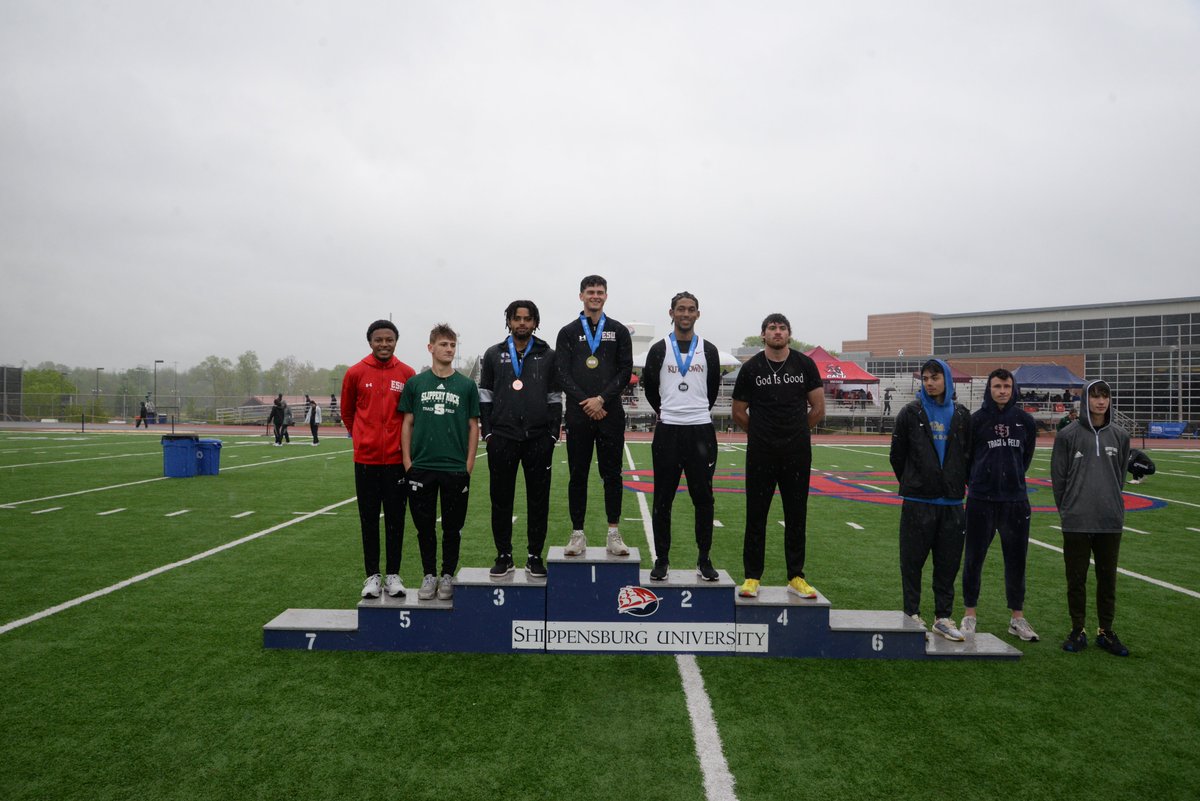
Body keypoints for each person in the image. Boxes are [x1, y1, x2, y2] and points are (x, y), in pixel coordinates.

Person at [731, 313, 825, 599]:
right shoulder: (752, 368)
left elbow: (818, 408)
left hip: (796, 453)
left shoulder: (804, 364)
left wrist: (794, 433)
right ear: (763, 334)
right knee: (756, 515)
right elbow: (738, 412)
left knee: (796, 515)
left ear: (789, 334)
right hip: (761, 453)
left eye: (782, 328)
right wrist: (763, 434)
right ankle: (752, 577)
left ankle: (796, 576)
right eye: (772, 328)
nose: (777, 332)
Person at [889, 358, 972, 642]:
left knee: (948, 565)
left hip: (951, 504)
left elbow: (968, 456)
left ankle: (943, 617)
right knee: (911, 562)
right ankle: (911, 613)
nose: (929, 382)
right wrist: (917, 482)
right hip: (918, 501)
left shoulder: (962, 414)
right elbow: (897, 456)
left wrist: (952, 483)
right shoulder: (910, 413)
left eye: (935, 377)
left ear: (946, 380)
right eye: (925, 378)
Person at [642, 291, 723, 582]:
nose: (685, 314)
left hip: (701, 428)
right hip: (668, 431)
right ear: (671, 313)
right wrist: (668, 410)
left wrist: (694, 411)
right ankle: (662, 559)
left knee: (703, 498)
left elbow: (711, 388)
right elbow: (650, 386)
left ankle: (704, 559)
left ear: (698, 314)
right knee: (663, 498)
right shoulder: (659, 348)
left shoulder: (709, 350)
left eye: (690, 309)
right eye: (680, 309)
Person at [480, 300, 562, 578]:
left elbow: (554, 397)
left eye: (528, 319)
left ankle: (534, 556)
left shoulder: (548, 354)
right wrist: (488, 431)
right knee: (501, 499)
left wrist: (552, 433)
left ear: (535, 322)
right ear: (509, 322)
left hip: (538, 438)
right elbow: (485, 396)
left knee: (538, 500)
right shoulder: (493, 354)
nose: (522, 323)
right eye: (517, 318)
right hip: (502, 437)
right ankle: (504, 555)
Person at [400, 324, 480, 602]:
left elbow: (473, 426)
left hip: (455, 468)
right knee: (424, 527)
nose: (449, 349)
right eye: (444, 344)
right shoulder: (416, 384)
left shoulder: (467, 385)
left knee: (451, 527)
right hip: (421, 467)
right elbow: (407, 423)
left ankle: (447, 574)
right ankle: (428, 574)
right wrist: (408, 461)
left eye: (453, 345)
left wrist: (468, 464)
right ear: (430, 347)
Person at [555, 275, 634, 557]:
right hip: (578, 414)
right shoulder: (567, 332)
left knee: (612, 474)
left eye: (600, 292)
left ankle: (613, 533)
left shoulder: (618, 331)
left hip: (610, 413)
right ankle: (578, 534)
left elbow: (625, 371)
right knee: (578, 474)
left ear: (606, 296)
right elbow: (561, 373)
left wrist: (601, 399)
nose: (595, 296)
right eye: (590, 291)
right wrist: (586, 402)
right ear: (581, 296)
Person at [1052, 380, 1131, 656]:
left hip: (1109, 520)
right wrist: (1068, 510)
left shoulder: (1120, 435)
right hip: (1076, 519)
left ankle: (1106, 631)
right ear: (1086, 399)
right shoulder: (1067, 435)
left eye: (1105, 396)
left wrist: (1111, 504)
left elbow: (1119, 476)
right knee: (1076, 578)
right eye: (1095, 396)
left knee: (1107, 578)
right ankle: (1078, 629)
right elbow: (1058, 478)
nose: (1100, 401)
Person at [960, 368, 1040, 642]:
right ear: (989, 388)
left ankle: (1017, 618)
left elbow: (1025, 458)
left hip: (1015, 501)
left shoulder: (1025, 421)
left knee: (1016, 561)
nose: (1002, 391)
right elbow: (967, 459)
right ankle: (969, 614)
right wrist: (982, 482)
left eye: (1007, 386)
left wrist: (1010, 481)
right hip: (981, 500)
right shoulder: (976, 420)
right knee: (973, 559)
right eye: (997, 386)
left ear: (1013, 388)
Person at [341, 319, 416, 599]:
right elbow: (348, 412)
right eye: (378, 340)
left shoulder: (407, 373)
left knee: (396, 519)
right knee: (369, 519)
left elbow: (412, 417)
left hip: (397, 461)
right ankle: (372, 576)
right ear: (370, 342)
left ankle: (393, 574)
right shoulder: (356, 373)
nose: (384, 344)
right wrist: (362, 438)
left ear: (396, 341)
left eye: (389, 339)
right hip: (366, 461)